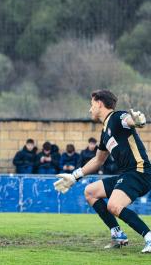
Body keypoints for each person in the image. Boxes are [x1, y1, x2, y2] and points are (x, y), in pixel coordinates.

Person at [54, 89, 151, 253]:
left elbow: (129, 120)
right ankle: (118, 235)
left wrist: (138, 121)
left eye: (91, 104)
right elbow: (98, 160)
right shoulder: (105, 131)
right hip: (127, 174)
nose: (90, 109)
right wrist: (74, 176)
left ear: (99, 103)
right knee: (90, 192)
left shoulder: (117, 117)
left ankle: (149, 237)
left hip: (139, 172)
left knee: (114, 205)